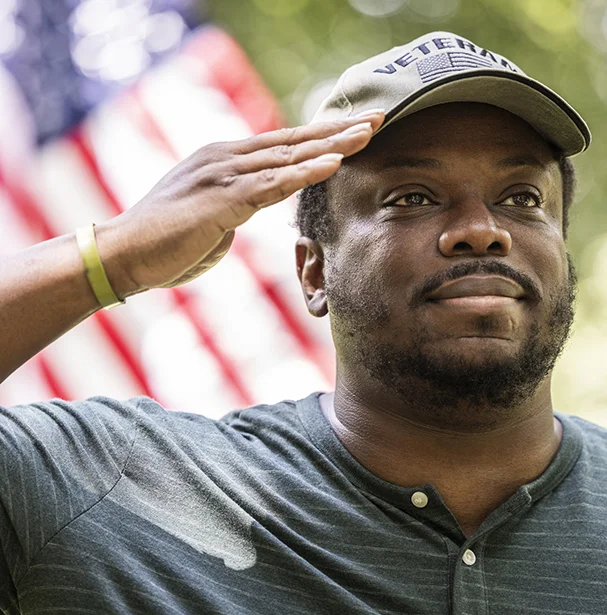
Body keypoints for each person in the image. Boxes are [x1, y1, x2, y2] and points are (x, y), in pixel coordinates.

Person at [0, 30, 604, 615]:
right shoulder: (111, 487)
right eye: (411, 197)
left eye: (522, 197)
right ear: (314, 272)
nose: (482, 228)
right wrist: (111, 255)